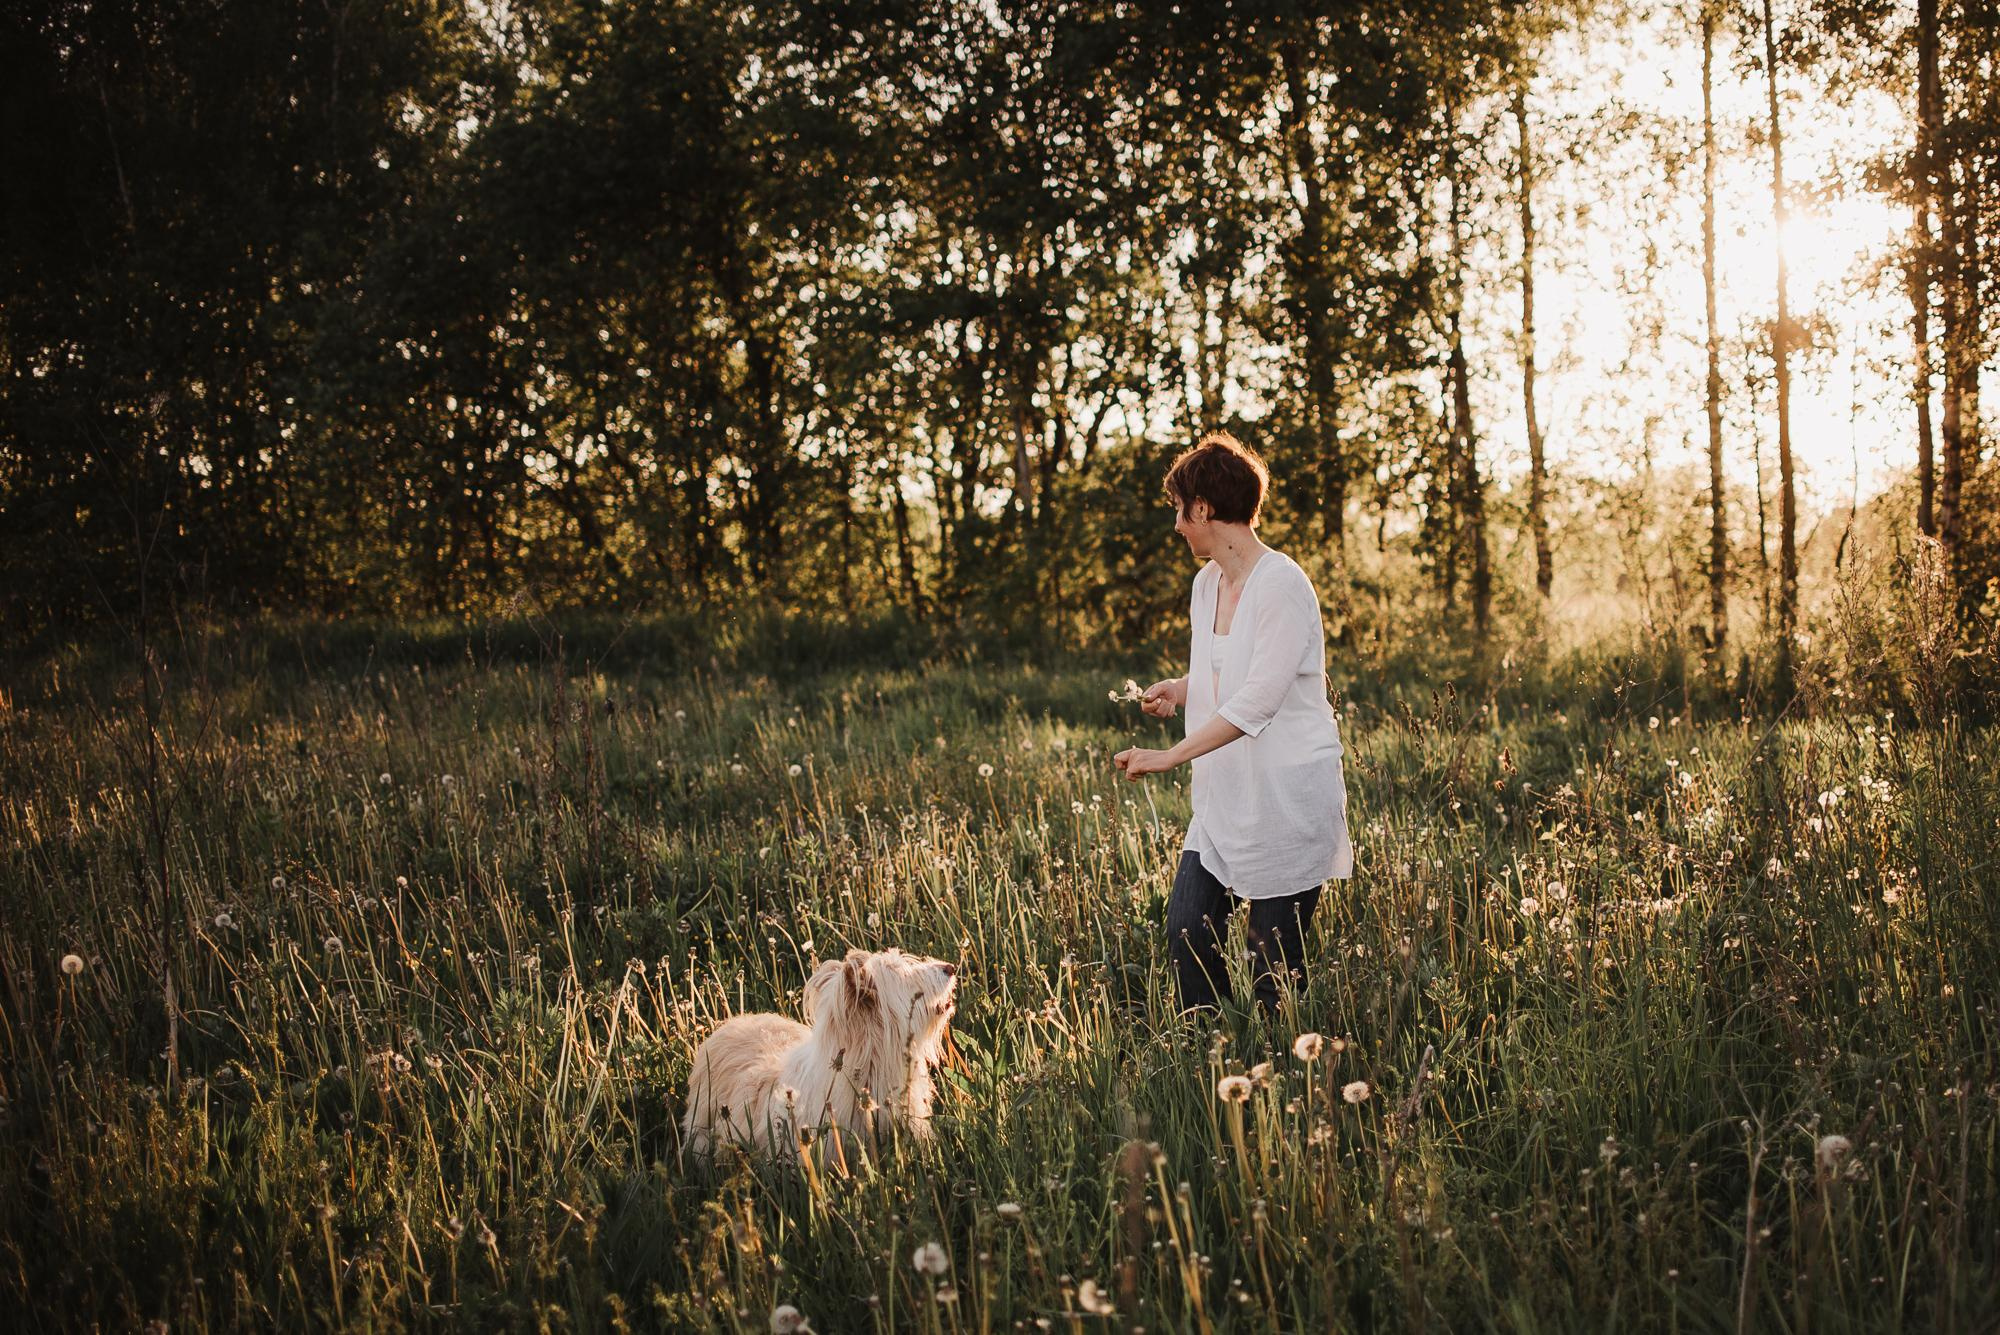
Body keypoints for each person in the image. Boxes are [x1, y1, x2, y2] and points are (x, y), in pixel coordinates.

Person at [1112, 431, 1353, 1015]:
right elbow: (1231, 672)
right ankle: (1214, 1051)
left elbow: (1258, 702)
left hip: (1285, 802)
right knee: (1188, 934)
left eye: (1179, 510)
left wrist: (1169, 755)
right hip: (1226, 799)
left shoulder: (1283, 585)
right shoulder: (1206, 584)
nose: (1176, 526)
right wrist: (1182, 687)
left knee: (1273, 972)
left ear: (1203, 508)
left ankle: (1277, 1077)